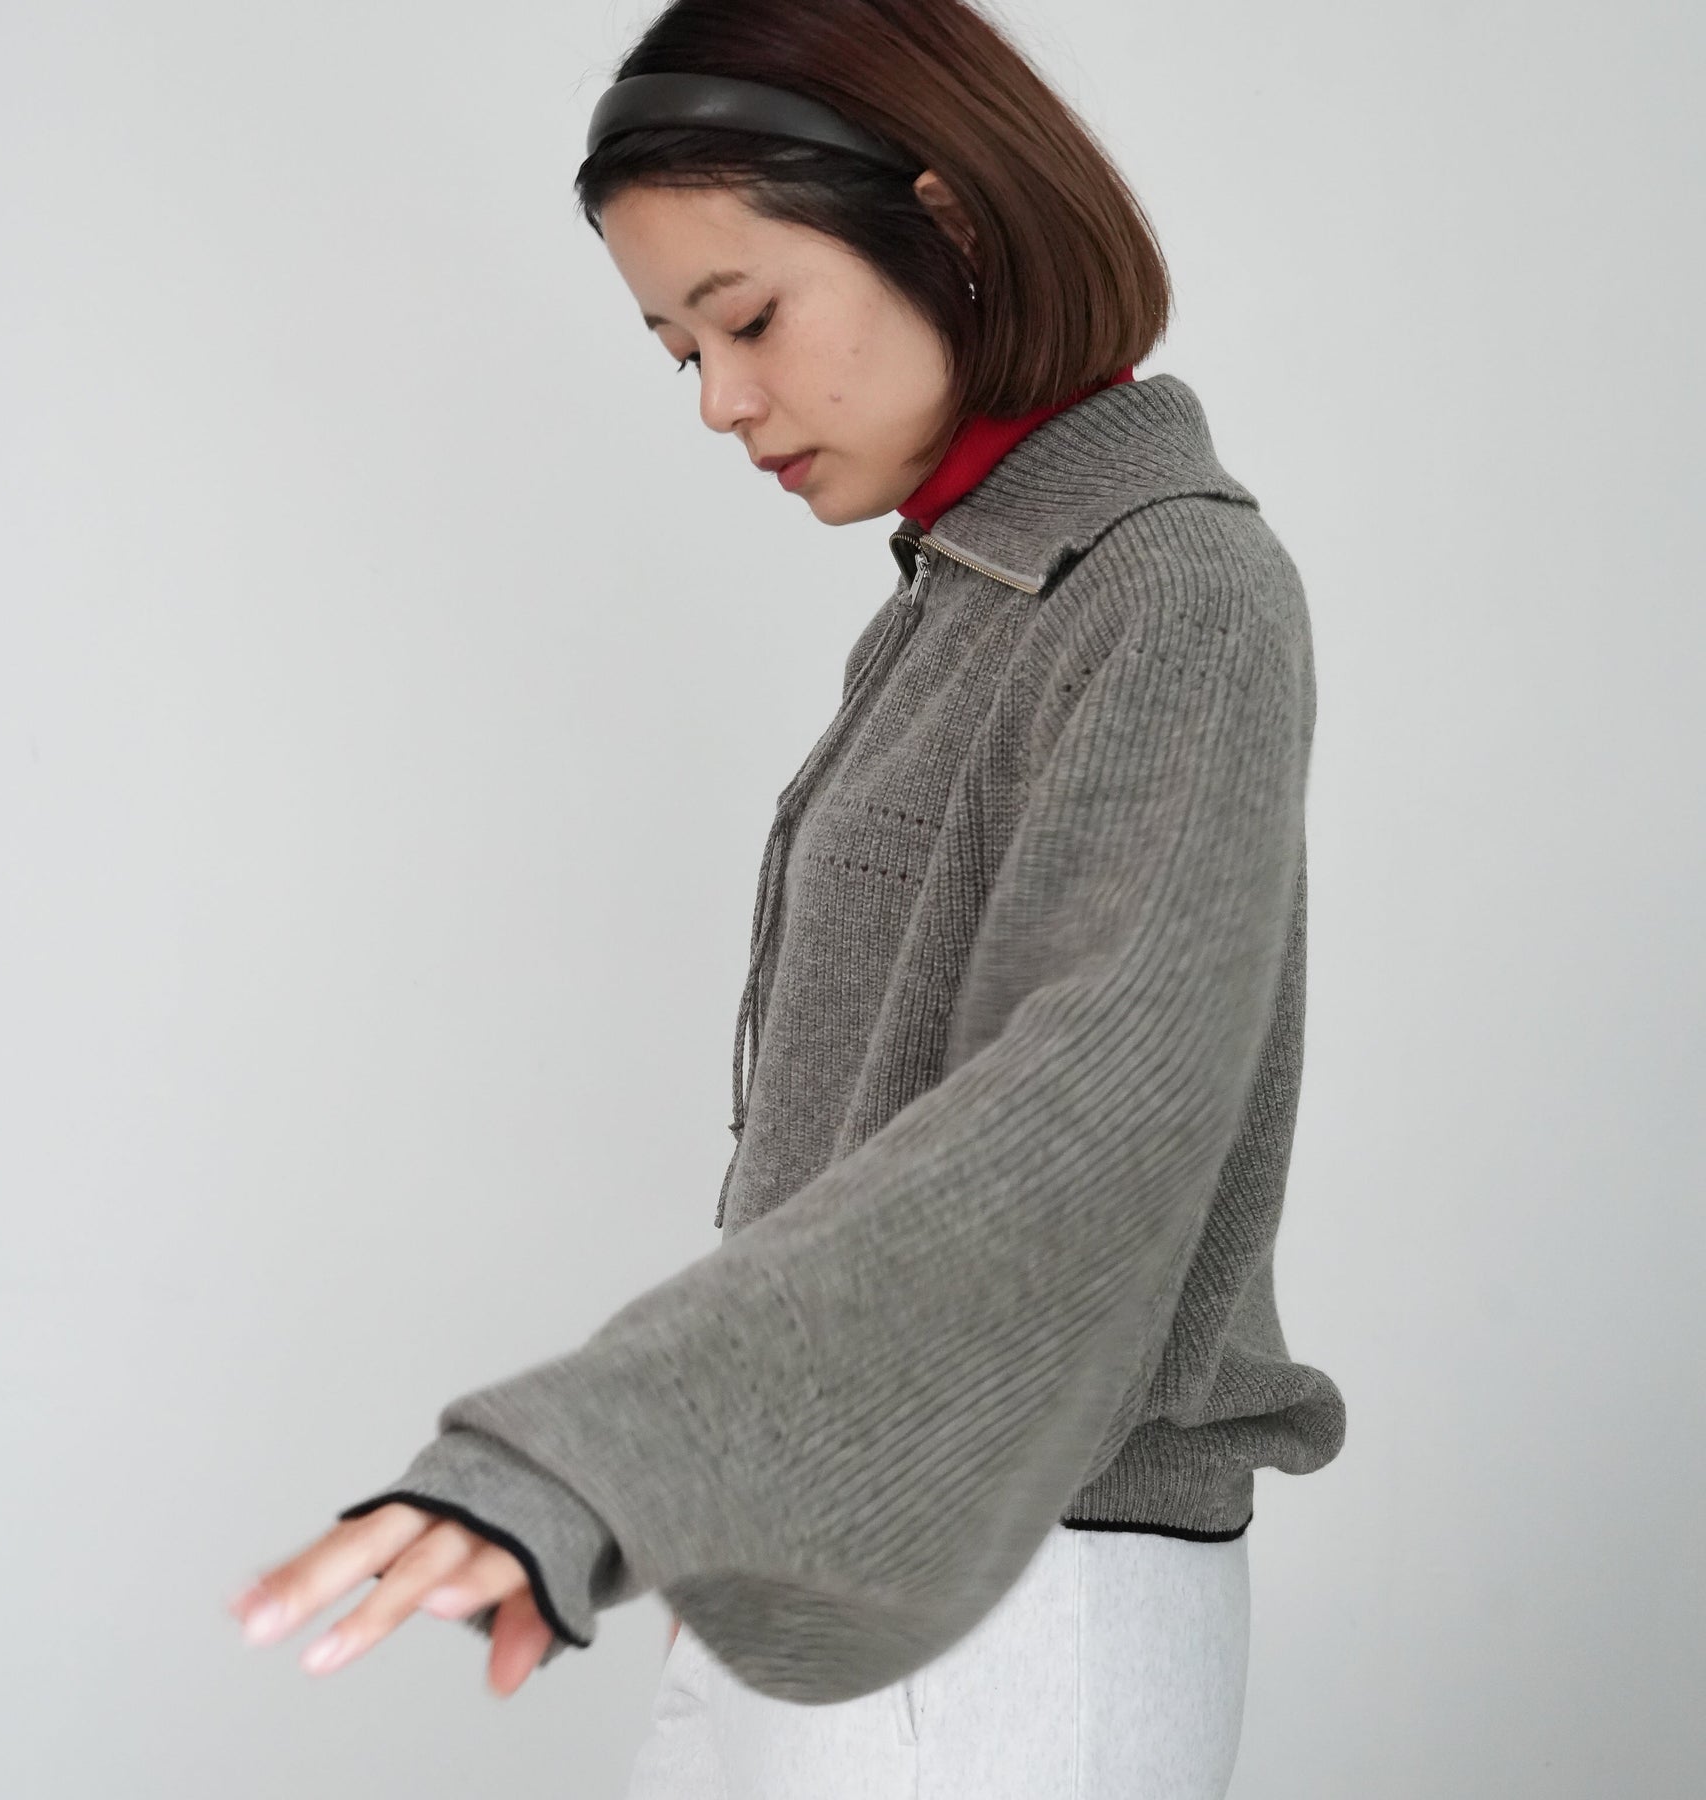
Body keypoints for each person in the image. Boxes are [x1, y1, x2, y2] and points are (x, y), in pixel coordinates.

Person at [228, 3, 1347, 1793]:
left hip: (1014, 1605)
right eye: (678, 349)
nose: (720, 400)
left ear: (950, 224)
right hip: (830, 1580)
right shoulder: (973, 595)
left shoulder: (1169, 589)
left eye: (746, 318)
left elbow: (1079, 1117)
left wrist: (593, 1452)